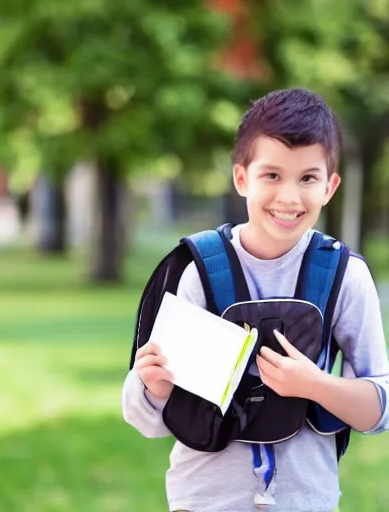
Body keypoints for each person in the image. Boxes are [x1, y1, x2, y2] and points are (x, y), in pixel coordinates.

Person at [121, 88, 389, 512]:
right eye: (272, 176)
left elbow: (379, 409)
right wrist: (154, 386)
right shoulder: (201, 271)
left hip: (307, 502)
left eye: (307, 178)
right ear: (241, 177)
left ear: (330, 186)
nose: (289, 197)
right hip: (205, 502)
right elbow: (146, 420)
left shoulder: (344, 276)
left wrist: (314, 385)